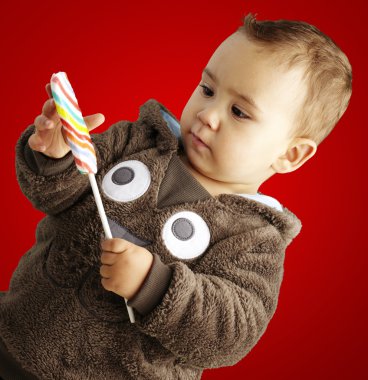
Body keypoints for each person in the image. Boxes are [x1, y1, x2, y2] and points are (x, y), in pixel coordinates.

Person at [0, 13, 352, 380]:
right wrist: (55, 156)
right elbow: (56, 195)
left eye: (239, 112)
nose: (208, 115)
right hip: (15, 332)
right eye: (208, 89)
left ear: (289, 154)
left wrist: (153, 285)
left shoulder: (255, 240)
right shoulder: (137, 141)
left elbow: (230, 335)